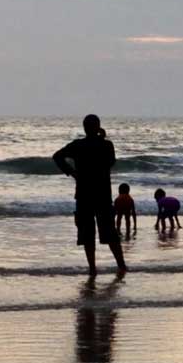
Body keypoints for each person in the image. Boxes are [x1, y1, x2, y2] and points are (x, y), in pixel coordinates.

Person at [53, 114, 127, 277]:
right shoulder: (107, 145)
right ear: (98, 126)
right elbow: (111, 162)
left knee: (87, 233)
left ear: (84, 128)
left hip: (84, 194)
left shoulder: (77, 145)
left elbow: (57, 156)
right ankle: (121, 265)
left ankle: (92, 268)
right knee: (110, 232)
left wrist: (71, 172)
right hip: (102, 194)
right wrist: (102, 137)